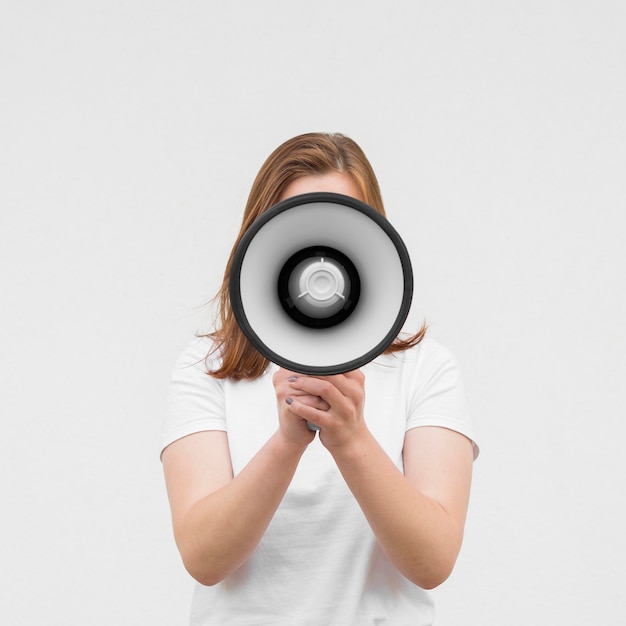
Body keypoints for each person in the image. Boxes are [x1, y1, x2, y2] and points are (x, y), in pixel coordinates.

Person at [161, 132, 479, 625]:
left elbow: (434, 561)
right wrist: (288, 442)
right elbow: (203, 558)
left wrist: (351, 440)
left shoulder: (426, 369)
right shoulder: (206, 365)